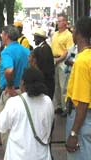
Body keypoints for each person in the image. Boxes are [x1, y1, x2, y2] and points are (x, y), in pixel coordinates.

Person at [0, 67, 54, 160]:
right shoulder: (48, 101)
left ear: (23, 83)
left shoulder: (13, 102)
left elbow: (2, 127)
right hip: (41, 156)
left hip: (17, 156)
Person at [0, 25, 30, 149]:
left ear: (7, 35)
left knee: (6, 128)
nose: (1, 36)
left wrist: (10, 86)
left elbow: (9, 70)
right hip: (24, 92)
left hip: (11, 93)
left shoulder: (7, 51)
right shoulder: (26, 51)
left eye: (2, 34)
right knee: (21, 127)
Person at [65, 16, 91, 160]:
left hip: (82, 120)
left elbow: (82, 101)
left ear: (78, 33)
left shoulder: (82, 61)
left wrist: (74, 133)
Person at [51, 14, 74, 115]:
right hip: (54, 60)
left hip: (62, 62)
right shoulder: (55, 34)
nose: (58, 23)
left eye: (60, 21)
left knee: (64, 85)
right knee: (56, 85)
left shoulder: (68, 35)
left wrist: (59, 59)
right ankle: (59, 106)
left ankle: (65, 108)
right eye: (58, 21)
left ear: (65, 22)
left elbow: (68, 51)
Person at [30, 27, 55, 99]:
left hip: (46, 82)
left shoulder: (43, 49)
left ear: (39, 38)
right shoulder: (43, 48)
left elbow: (44, 68)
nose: (34, 40)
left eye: (35, 38)